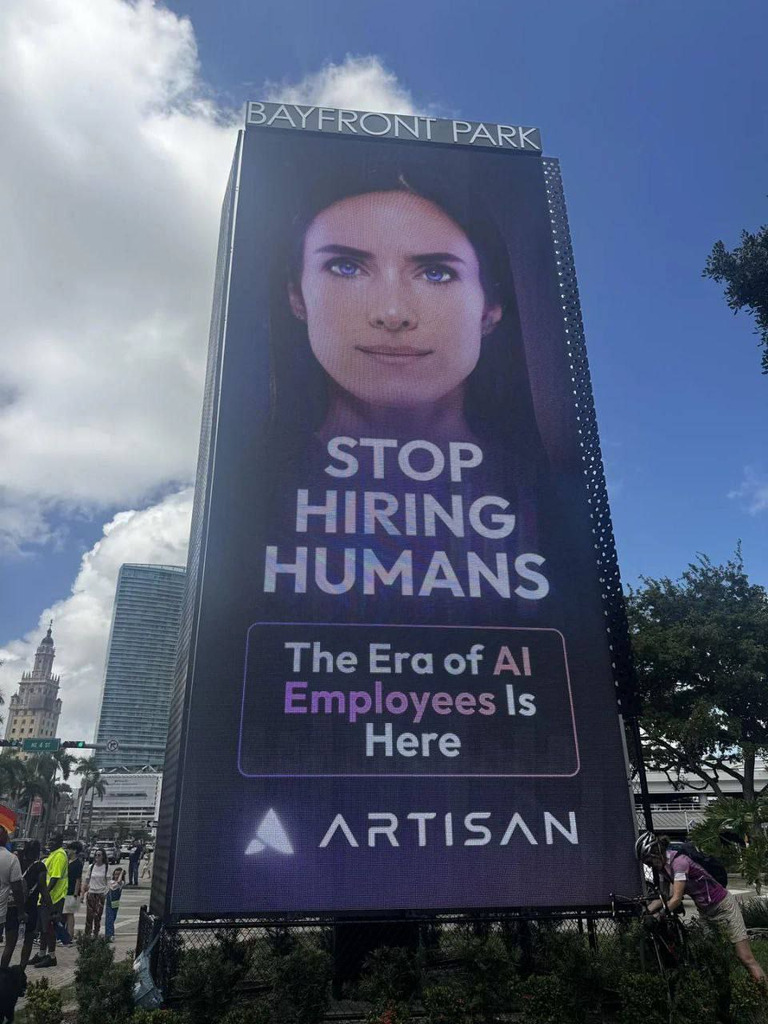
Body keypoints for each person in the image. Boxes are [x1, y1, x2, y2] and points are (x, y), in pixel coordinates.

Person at [635, 830, 766, 985]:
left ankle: (763, 992)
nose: (649, 866)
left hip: (724, 906)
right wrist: (647, 910)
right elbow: (665, 897)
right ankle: (723, 988)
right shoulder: (664, 869)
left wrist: (658, 916)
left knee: (745, 957)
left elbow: (676, 899)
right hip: (706, 912)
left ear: (656, 853)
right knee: (708, 956)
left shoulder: (679, 862)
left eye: (649, 861)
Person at [2, 840, 47, 971]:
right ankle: (21, 972)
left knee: (9, 944)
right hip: (30, 908)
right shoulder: (39, 867)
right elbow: (43, 889)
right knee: (28, 941)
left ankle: (2, 972)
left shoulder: (17, 862)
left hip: (13, 906)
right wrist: (50, 907)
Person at [31, 832, 68, 969]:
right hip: (46, 897)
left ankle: (51, 956)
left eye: (53, 840)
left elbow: (55, 878)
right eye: (49, 839)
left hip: (54, 898)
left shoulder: (59, 855)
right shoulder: (52, 854)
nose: (50, 842)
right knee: (43, 928)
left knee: (50, 928)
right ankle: (41, 954)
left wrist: (45, 894)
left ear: (60, 842)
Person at [0, 830, 25, 970]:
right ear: (5, 840)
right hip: (3, 911)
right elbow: (17, 888)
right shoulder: (11, 859)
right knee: (9, 944)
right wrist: (21, 912)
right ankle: (2, 972)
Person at [81, 848, 108, 936]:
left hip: (100, 893)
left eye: (99, 855)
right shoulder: (91, 867)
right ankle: (87, 935)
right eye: (95, 855)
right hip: (91, 892)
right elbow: (86, 881)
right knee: (89, 915)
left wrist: (106, 892)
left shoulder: (106, 867)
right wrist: (83, 894)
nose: (97, 857)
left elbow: (108, 882)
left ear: (103, 856)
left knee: (97, 915)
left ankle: (96, 933)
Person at [62, 842, 83, 943]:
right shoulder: (67, 861)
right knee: (64, 914)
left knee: (70, 914)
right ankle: (64, 934)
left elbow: (78, 879)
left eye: (69, 849)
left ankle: (70, 935)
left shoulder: (78, 863)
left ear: (74, 850)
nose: (68, 851)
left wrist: (75, 893)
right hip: (64, 890)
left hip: (72, 891)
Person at [104, 867, 126, 943]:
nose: (116, 876)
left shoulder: (121, 883)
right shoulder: (111, 881)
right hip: (109, 901)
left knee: (112, 918)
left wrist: (122, 872)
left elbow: (119, 881)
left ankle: (110, 934)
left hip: (115, 902)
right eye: (115, 874)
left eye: (118, 874)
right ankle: (108, 935)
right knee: (108, 919)